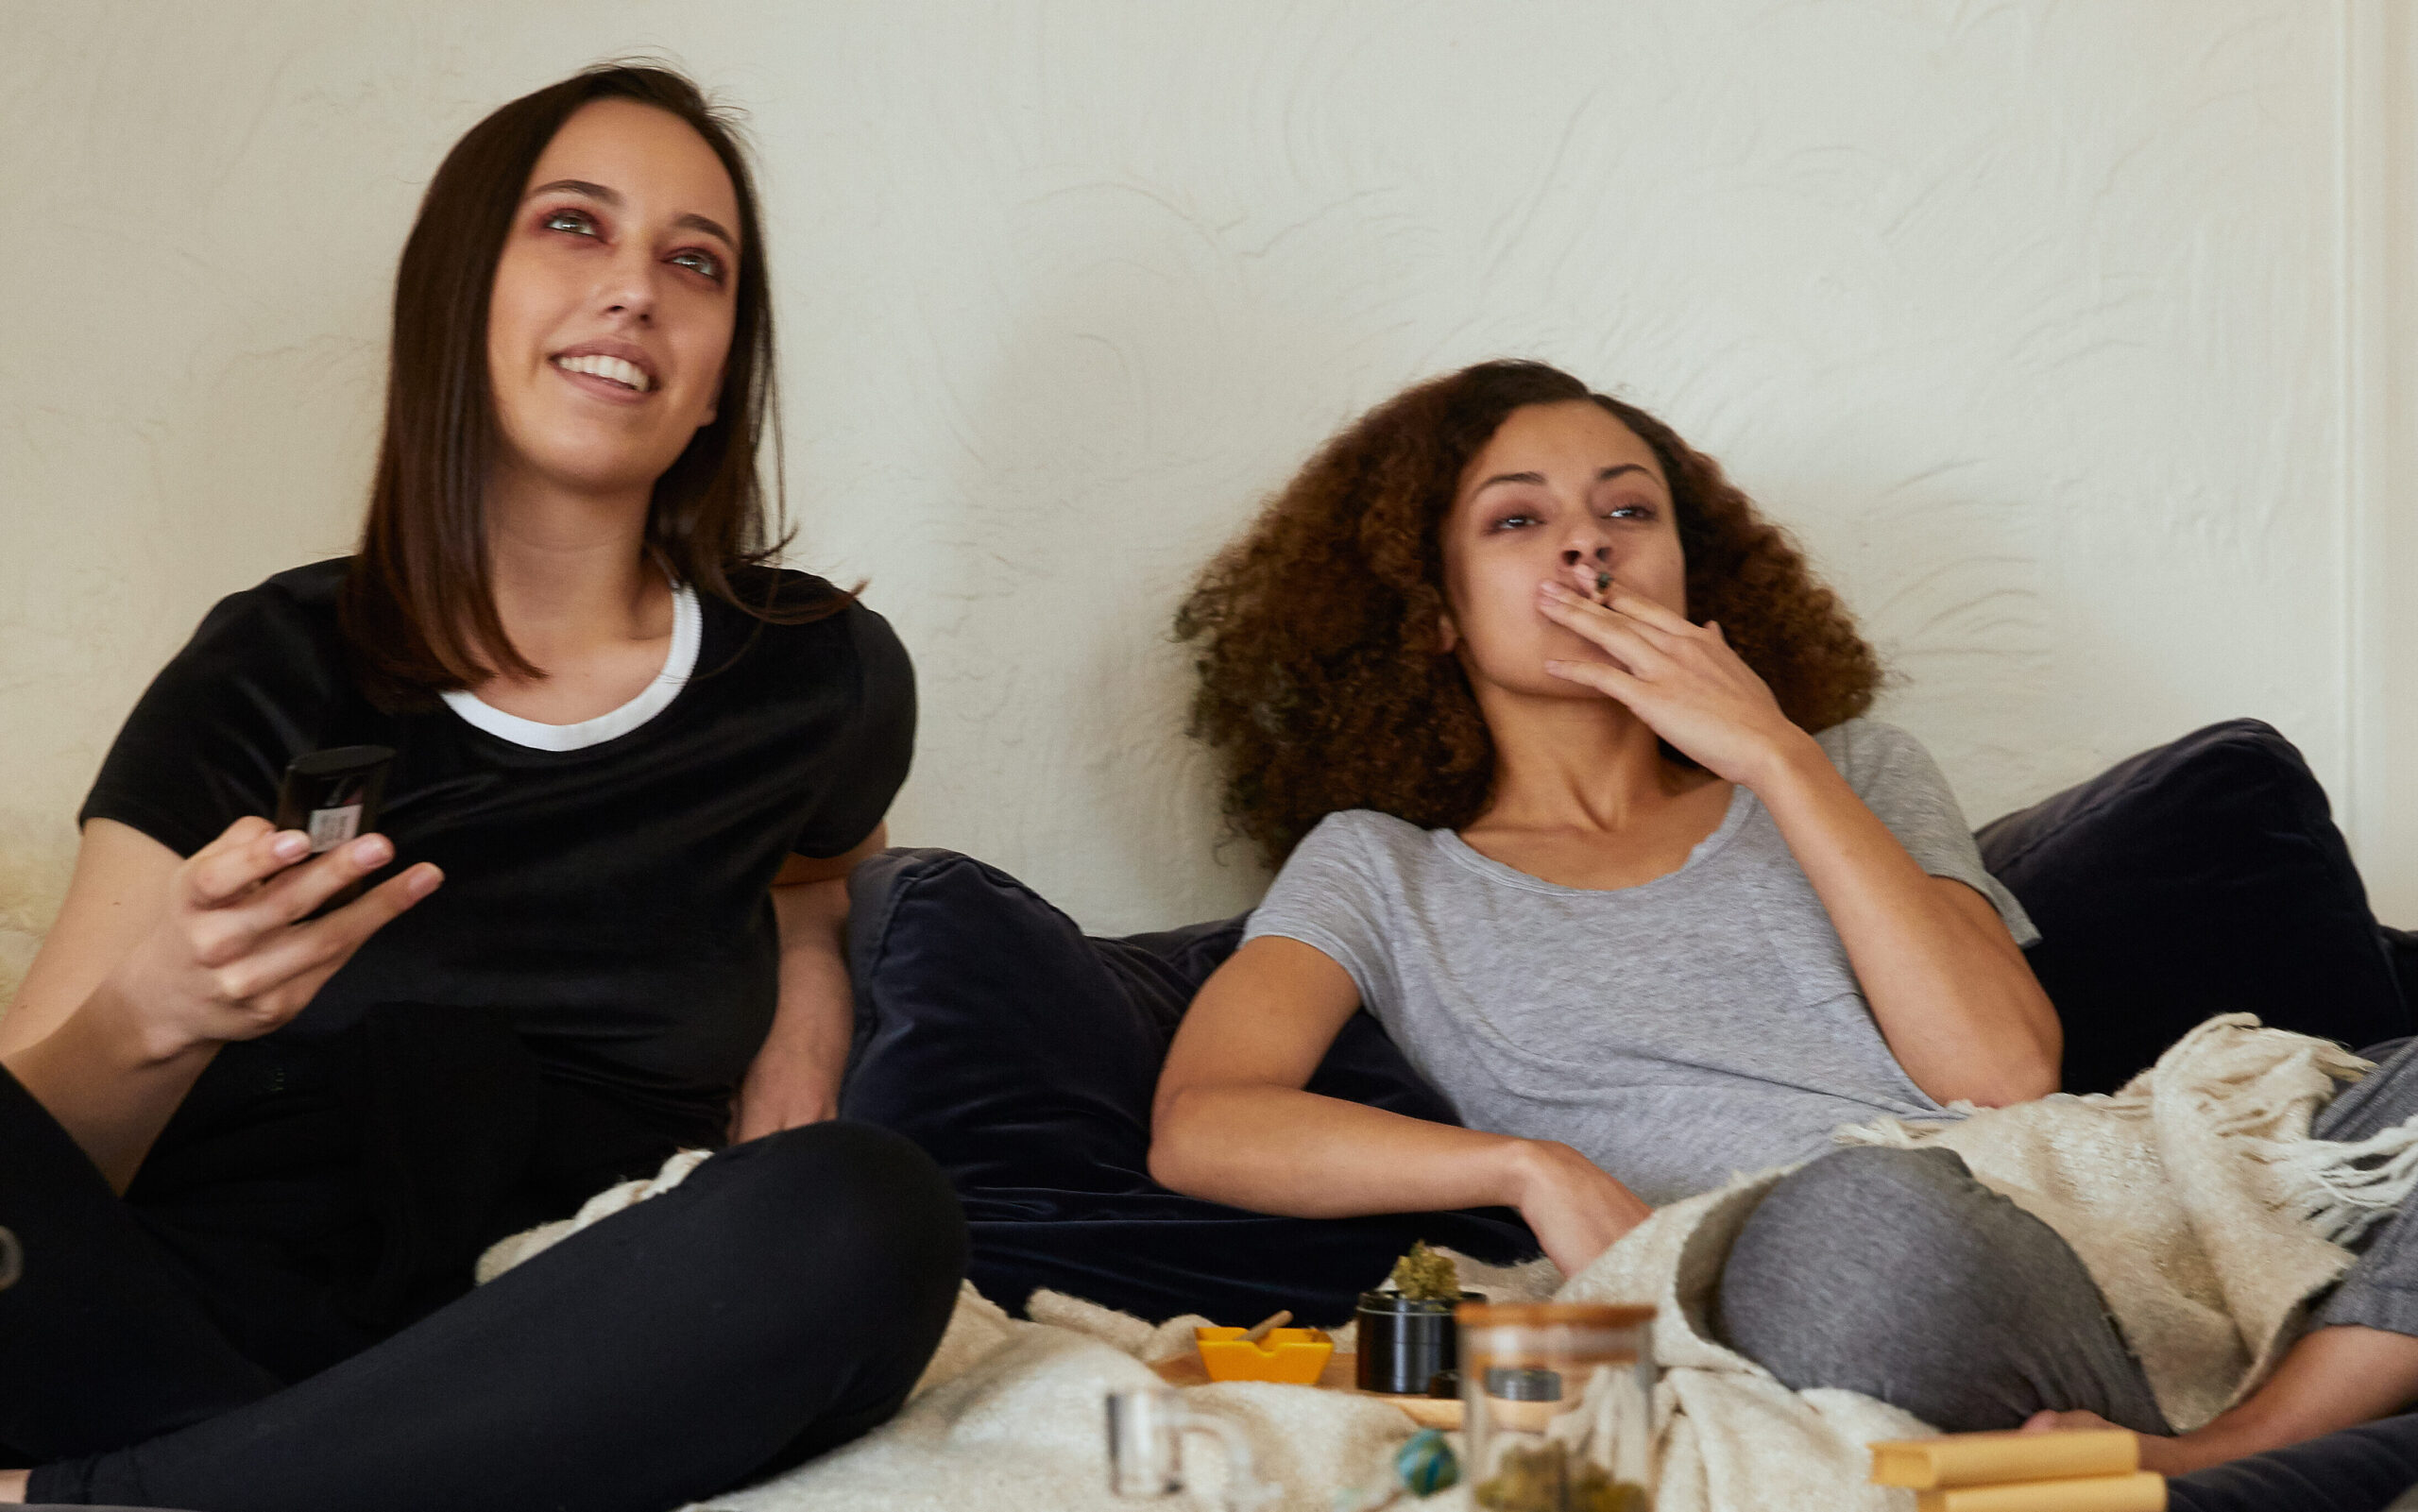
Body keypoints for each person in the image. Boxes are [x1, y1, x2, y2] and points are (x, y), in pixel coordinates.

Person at [1148, 357, 2418, 1474]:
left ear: (1694, 573)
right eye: (1519, 519)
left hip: (2065, 1217)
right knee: (1859, 1222)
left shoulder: (1853, 769)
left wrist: (1774, 756)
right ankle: (2332, 1414)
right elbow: (1206, 1122)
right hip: (1821, 1272)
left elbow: (2000, 1073)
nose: (1588, 544)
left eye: (1628, 508)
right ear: (1432, 610)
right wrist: (1529, 1166)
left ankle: (2246, 1445)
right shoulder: (1378, 869)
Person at [0, 65, 964, 1512]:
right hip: (192, 1322)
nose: (636, 289)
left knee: (868, 1209)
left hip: (542, 1348)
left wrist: (804, 1017)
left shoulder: (813, 675)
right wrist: (160, 1012)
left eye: (694, 263)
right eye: (574, 227)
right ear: (460, 298)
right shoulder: (267, 662)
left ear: (717, 380)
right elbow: (32, 1155)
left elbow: (818, 868)